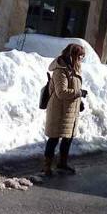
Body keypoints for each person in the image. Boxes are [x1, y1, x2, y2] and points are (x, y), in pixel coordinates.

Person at [43, 43, 87, 176]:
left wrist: (79, 103)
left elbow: (73, 88)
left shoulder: (74, 68)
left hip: (70, 110)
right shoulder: (60, 70)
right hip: (58, 110)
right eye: (79, 56)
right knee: (54, 138)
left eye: (82, 57)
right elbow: (61, 92)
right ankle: (47, 166)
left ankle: (62, 163)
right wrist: (79, 93)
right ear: (72, 55)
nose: (81, 59)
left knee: (68, 138)